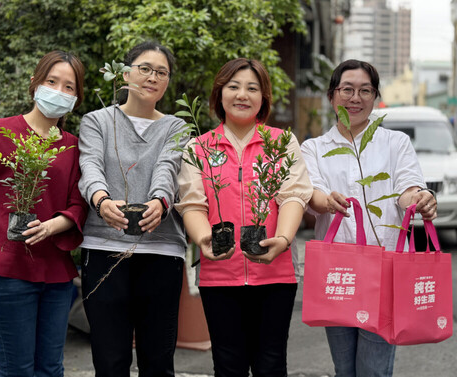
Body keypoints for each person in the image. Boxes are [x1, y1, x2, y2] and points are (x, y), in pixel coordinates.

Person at [0, 50, 88, 376]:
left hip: (56, 277)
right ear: (34, 83)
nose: (59, 91)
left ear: (76, 98)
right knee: (17, 370)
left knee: (51, 369)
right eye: (52, 81)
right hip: (5, 271)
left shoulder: (73, 147)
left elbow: (78, 205)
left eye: (69, 86)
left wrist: (53, 226)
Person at [300, 59, 437, 377]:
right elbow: (313, 196)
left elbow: (406, 189)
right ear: (332, 96)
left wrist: (418, 198)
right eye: (347, 89)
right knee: (344, 368)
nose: (355, 98)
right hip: (337, 275)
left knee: (373, 370)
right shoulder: (315, 149)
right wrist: (326, 202)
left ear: (375, 97)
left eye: (365, 90)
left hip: (385, 271)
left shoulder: (395, 143)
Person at [176, 58, 313, 376]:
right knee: (227, 364)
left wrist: (283, 239)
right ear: (219, 94)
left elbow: (294, 195)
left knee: (271, 363)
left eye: (252, 88)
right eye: (233, 86)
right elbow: (193, 204)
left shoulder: (281, 143)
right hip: (219, 274)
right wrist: (203, 237)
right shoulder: (200, 147)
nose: (242, 94)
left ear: (264, 97)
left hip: (276, 275)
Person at [78, 41, 188, 377]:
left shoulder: (176, 127)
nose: (152, 77)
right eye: (145, 68)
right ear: (125, 74)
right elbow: (90, 165)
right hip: (104, 248)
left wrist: (159, 202)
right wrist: (101, 200)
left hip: (162, 250)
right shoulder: (97, 120)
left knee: (158, 360)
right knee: (110, 361)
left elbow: (168, 169)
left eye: (161, 72)